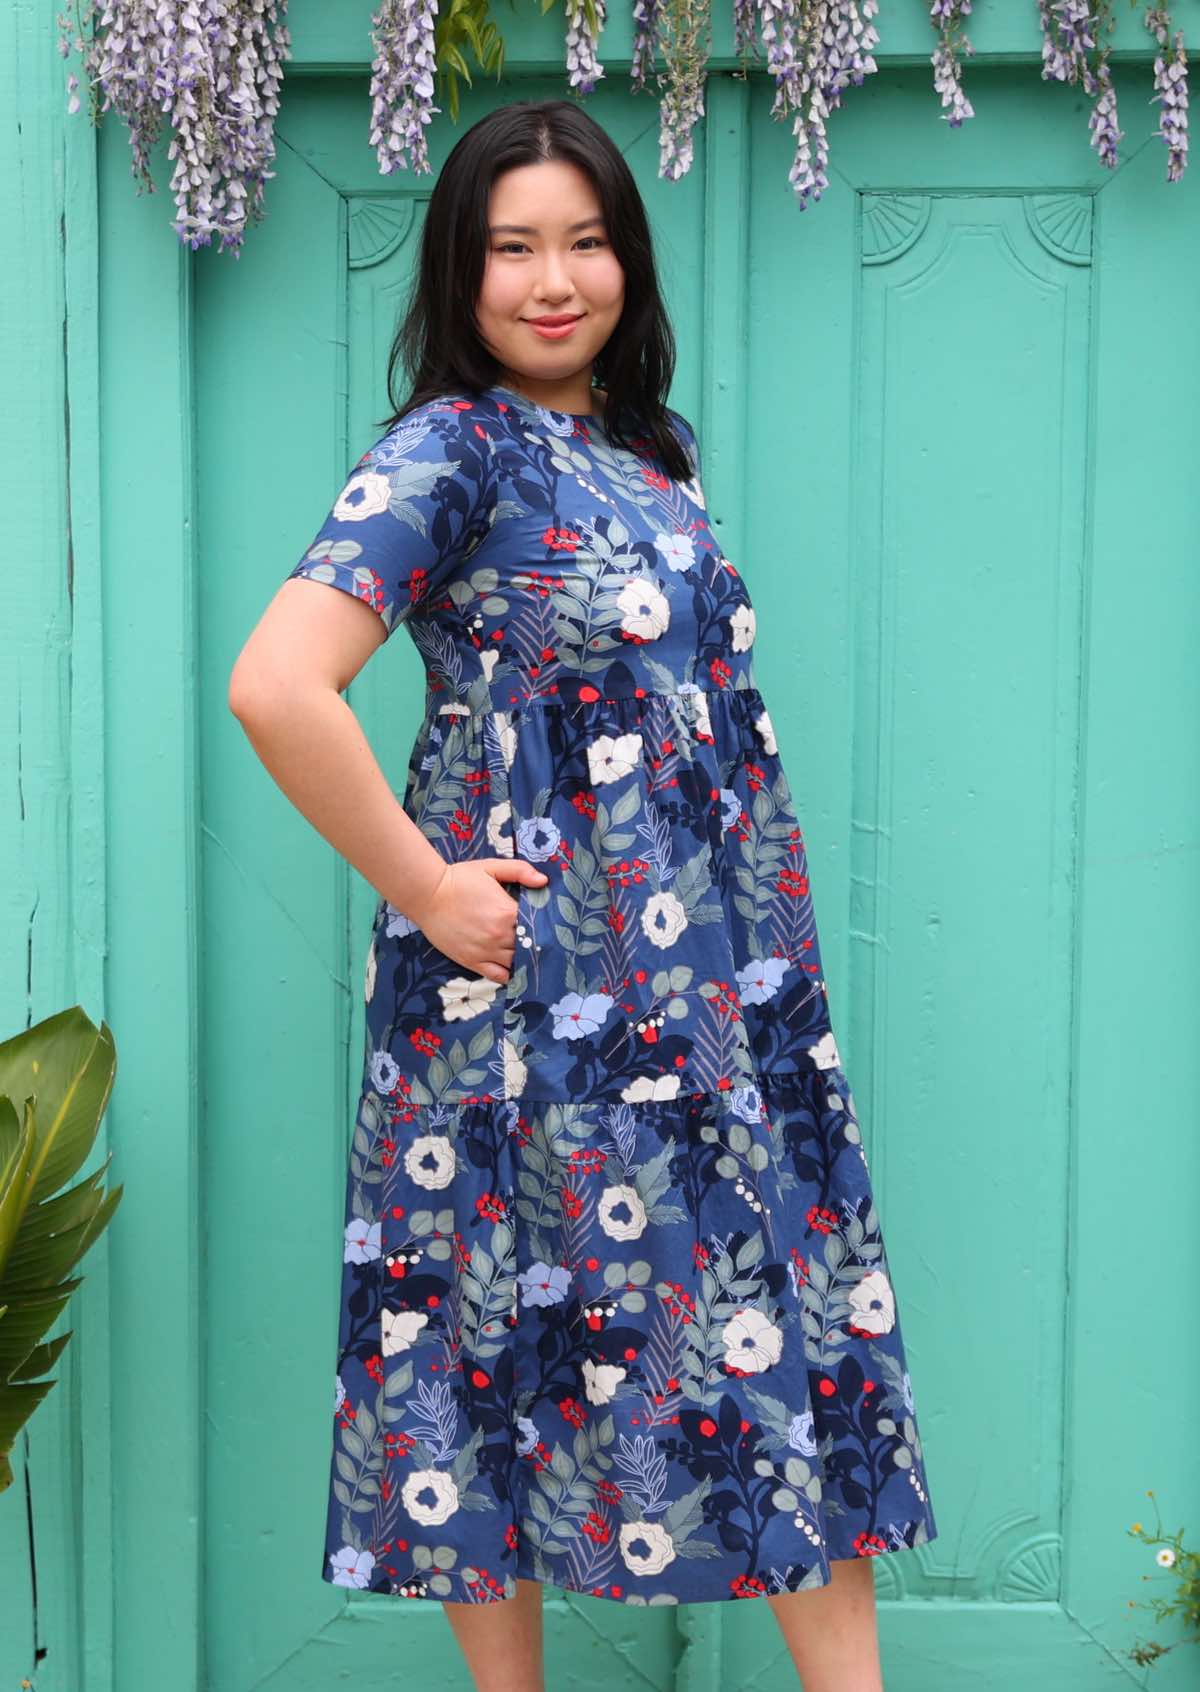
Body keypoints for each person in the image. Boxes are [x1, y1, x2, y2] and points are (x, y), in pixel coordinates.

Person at [229, 96, 937, 1692]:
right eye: (512, 249)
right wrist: (426, 890)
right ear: (458, 274)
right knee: (491, 1348)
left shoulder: (645, 454)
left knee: (782, 1331)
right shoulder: (450, 448)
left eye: (586, 240)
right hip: (535, 1001)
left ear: (627, 256)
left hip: (716, 988)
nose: (555, 280)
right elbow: (279, 684)